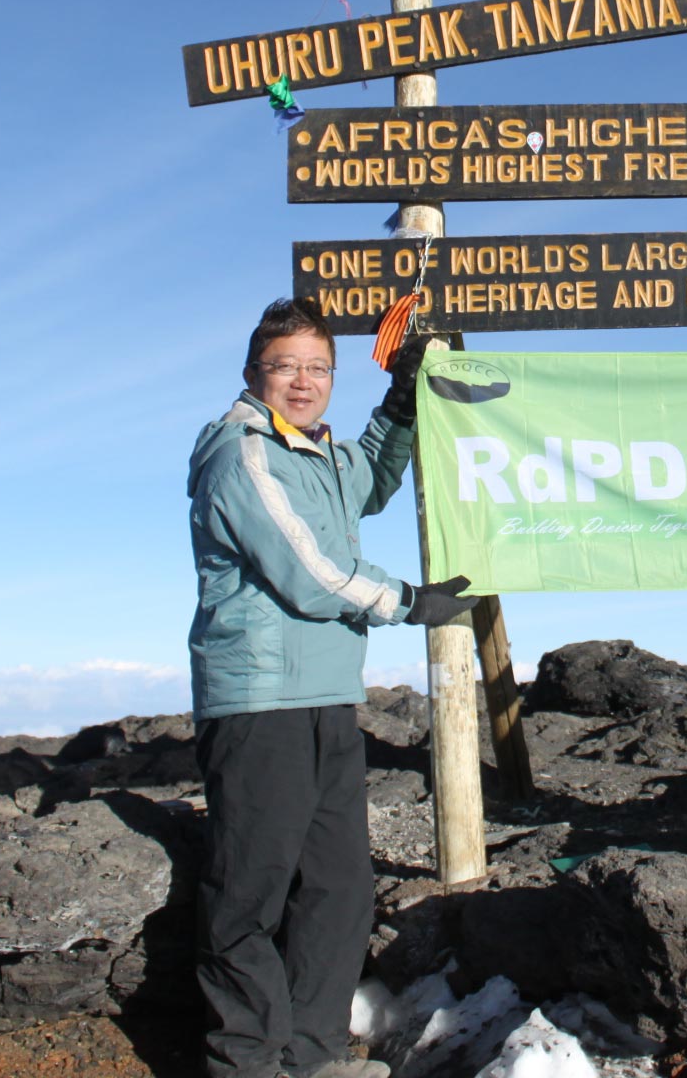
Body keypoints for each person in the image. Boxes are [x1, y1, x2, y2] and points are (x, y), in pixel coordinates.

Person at [187, 298, 476, 1078]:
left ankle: (312, 1055)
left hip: (325, 698)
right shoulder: (243, 454)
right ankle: (246, 1062)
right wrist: (408, 601)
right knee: (249, 894)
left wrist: (399, 407)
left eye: (318, 367)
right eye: (286, 366)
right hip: (258, 704)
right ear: (253, 373)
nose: (304, 381)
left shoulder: (315, 453)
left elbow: (369, 479)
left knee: (339, 887)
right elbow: (309, 570)